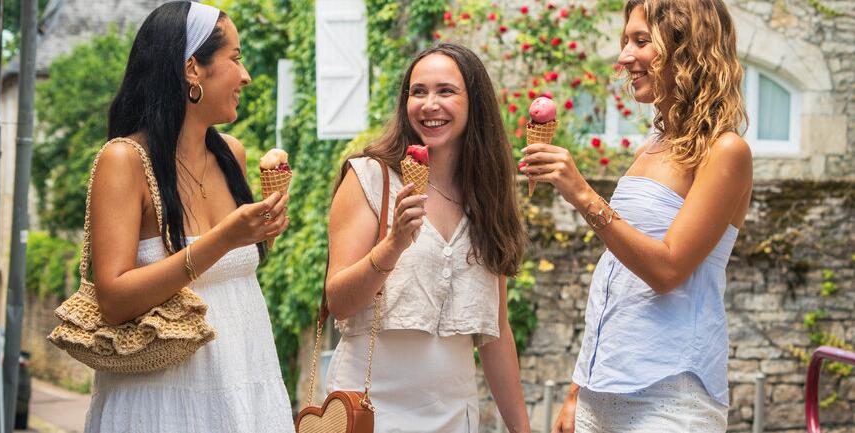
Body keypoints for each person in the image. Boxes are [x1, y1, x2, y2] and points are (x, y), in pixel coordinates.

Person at [530, 1, 752, 431]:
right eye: (625, 41)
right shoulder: (654, 143)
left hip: (669, 397)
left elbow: (667, 269)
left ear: (686, 47)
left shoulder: (726, 151)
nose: (624, 56)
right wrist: (578, 390)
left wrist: (582, 194)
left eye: (641, 41)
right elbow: (613, 275)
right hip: (601, 392)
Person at [83, 2, 294, 432]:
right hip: (161, 402)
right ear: (192, 69)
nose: (246, 75)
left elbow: (233, 275)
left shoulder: (231, 153)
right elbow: (113, 299)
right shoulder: (124, 160)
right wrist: (227, 237)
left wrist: (263, 229)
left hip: (247, 382)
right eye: (235, 58)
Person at [324, 43, 530, 433]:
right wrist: (394, 244)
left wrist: (522, 429)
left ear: (475, 103)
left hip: (456, 416)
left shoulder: (487, 198)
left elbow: (496, 333)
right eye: (418, 92)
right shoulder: (370, 177)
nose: (429, 104)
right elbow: (339, 301)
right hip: (370, 412)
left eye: (445, 91)